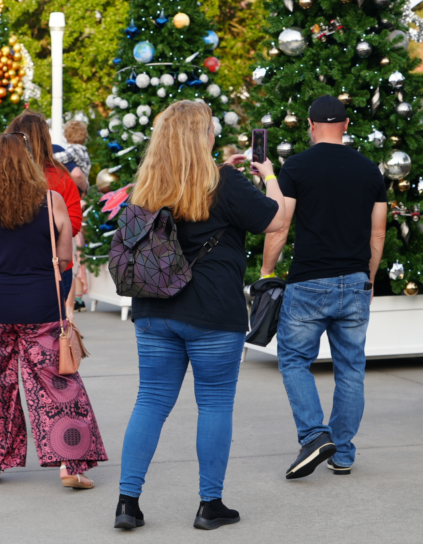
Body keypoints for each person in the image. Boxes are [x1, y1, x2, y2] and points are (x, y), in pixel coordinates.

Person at [115, 101, 285, 532]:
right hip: (212, 311)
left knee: (150, 402)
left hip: (154, 308)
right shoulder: (224, 182)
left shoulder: (148, 184)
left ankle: (127, 503)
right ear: (204, 136)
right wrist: (266, 175)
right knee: (214, 405)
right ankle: (210, 506)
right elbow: (275, 217)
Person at [0, 132, 107, 489]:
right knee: (57, 382)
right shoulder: (51, 200)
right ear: (30, 163)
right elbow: (66, 255)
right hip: (41, 304)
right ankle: (70, 466)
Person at [260, 95, 388, 479]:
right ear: (346, 124)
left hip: (309, 282)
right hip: (354, 281)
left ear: (310, 125)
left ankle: (315, 434)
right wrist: (368, 279)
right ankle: (343, 453)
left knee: (294, 360)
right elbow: (377, 233)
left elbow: (280, 224)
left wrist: (267, 270)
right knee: (351, 369)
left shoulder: (297, 166)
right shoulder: (369, 170)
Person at [6, 111, 82, 310]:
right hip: (52, 266)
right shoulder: (59, 176)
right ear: (45, 139)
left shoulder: (0, 177)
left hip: (8, 266)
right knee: (49, 335)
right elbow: (73, 224)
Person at [56, 120, 92, 311]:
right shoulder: (84, 151)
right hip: (79, 197)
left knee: (69, 253)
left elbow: (76, 173)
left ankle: (69, 307)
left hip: (73, 197)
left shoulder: (71, 150)